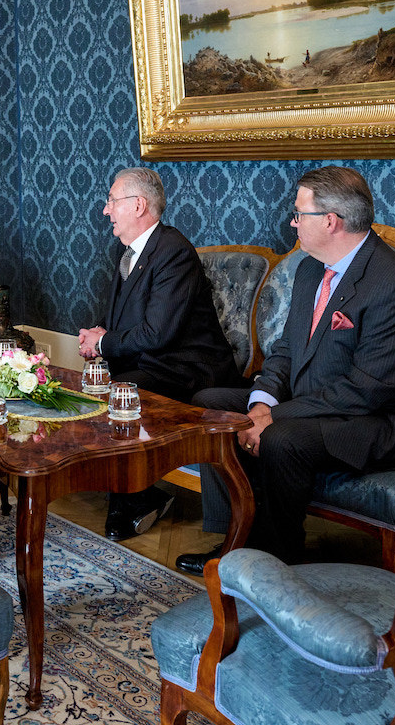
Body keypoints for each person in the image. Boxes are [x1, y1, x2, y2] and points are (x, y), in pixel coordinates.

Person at [176, 166, 395, 572]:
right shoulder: (311, 266)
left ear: (330, 221)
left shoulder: (391, 284)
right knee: (212, 407)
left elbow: (365, 391)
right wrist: (261, 400)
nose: (292, 222)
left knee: (281, 437)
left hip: (380, 420)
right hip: (315, 400)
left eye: (299, 214)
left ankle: (278, 558)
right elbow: (286, 349)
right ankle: (237, 540)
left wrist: (270, 416)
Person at [78, 168, 244, 541]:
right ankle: (138, 494)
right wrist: (97, 333)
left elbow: (158, 333)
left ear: (138, 205)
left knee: (120, 390)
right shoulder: (132, 251)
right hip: (155, 363)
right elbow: (122, 319)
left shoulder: (173, 252)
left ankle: (133, 500)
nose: (106, 211)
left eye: (112, 201)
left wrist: (103, 344)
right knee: (100, 385)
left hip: (191, 368)